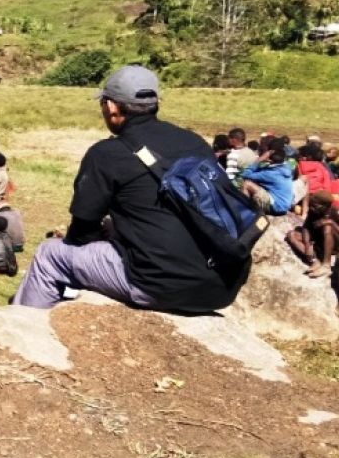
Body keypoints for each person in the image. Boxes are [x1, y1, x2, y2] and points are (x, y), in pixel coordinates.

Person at [14, 66, 249, 312]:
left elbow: (83, 233)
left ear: (112, 107)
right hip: (221, 285)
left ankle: (26, 330)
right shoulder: (194, 142)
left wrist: (107, 235)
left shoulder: (107, 153)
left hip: (160, 285)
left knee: (49, 255)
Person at [288, 191, 336, 278]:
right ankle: (314, 260)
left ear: (326, 206)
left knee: (327, 226)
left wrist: (331, 222)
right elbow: (306, 227)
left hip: (333, 244)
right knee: (292, 235)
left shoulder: (334, 212)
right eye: (311, 205)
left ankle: (326, 265)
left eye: (315, 206)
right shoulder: (313, 210)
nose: (312, 208)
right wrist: (307, 245)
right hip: (318, 243)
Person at [240, 141, 293, 216]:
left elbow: (245, 174)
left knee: (247, 184)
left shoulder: (269, 174)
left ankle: (246, 212)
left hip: (276, 207)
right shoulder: (287, 167)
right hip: (285, 204)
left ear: (270, 160)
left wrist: (259, 159)